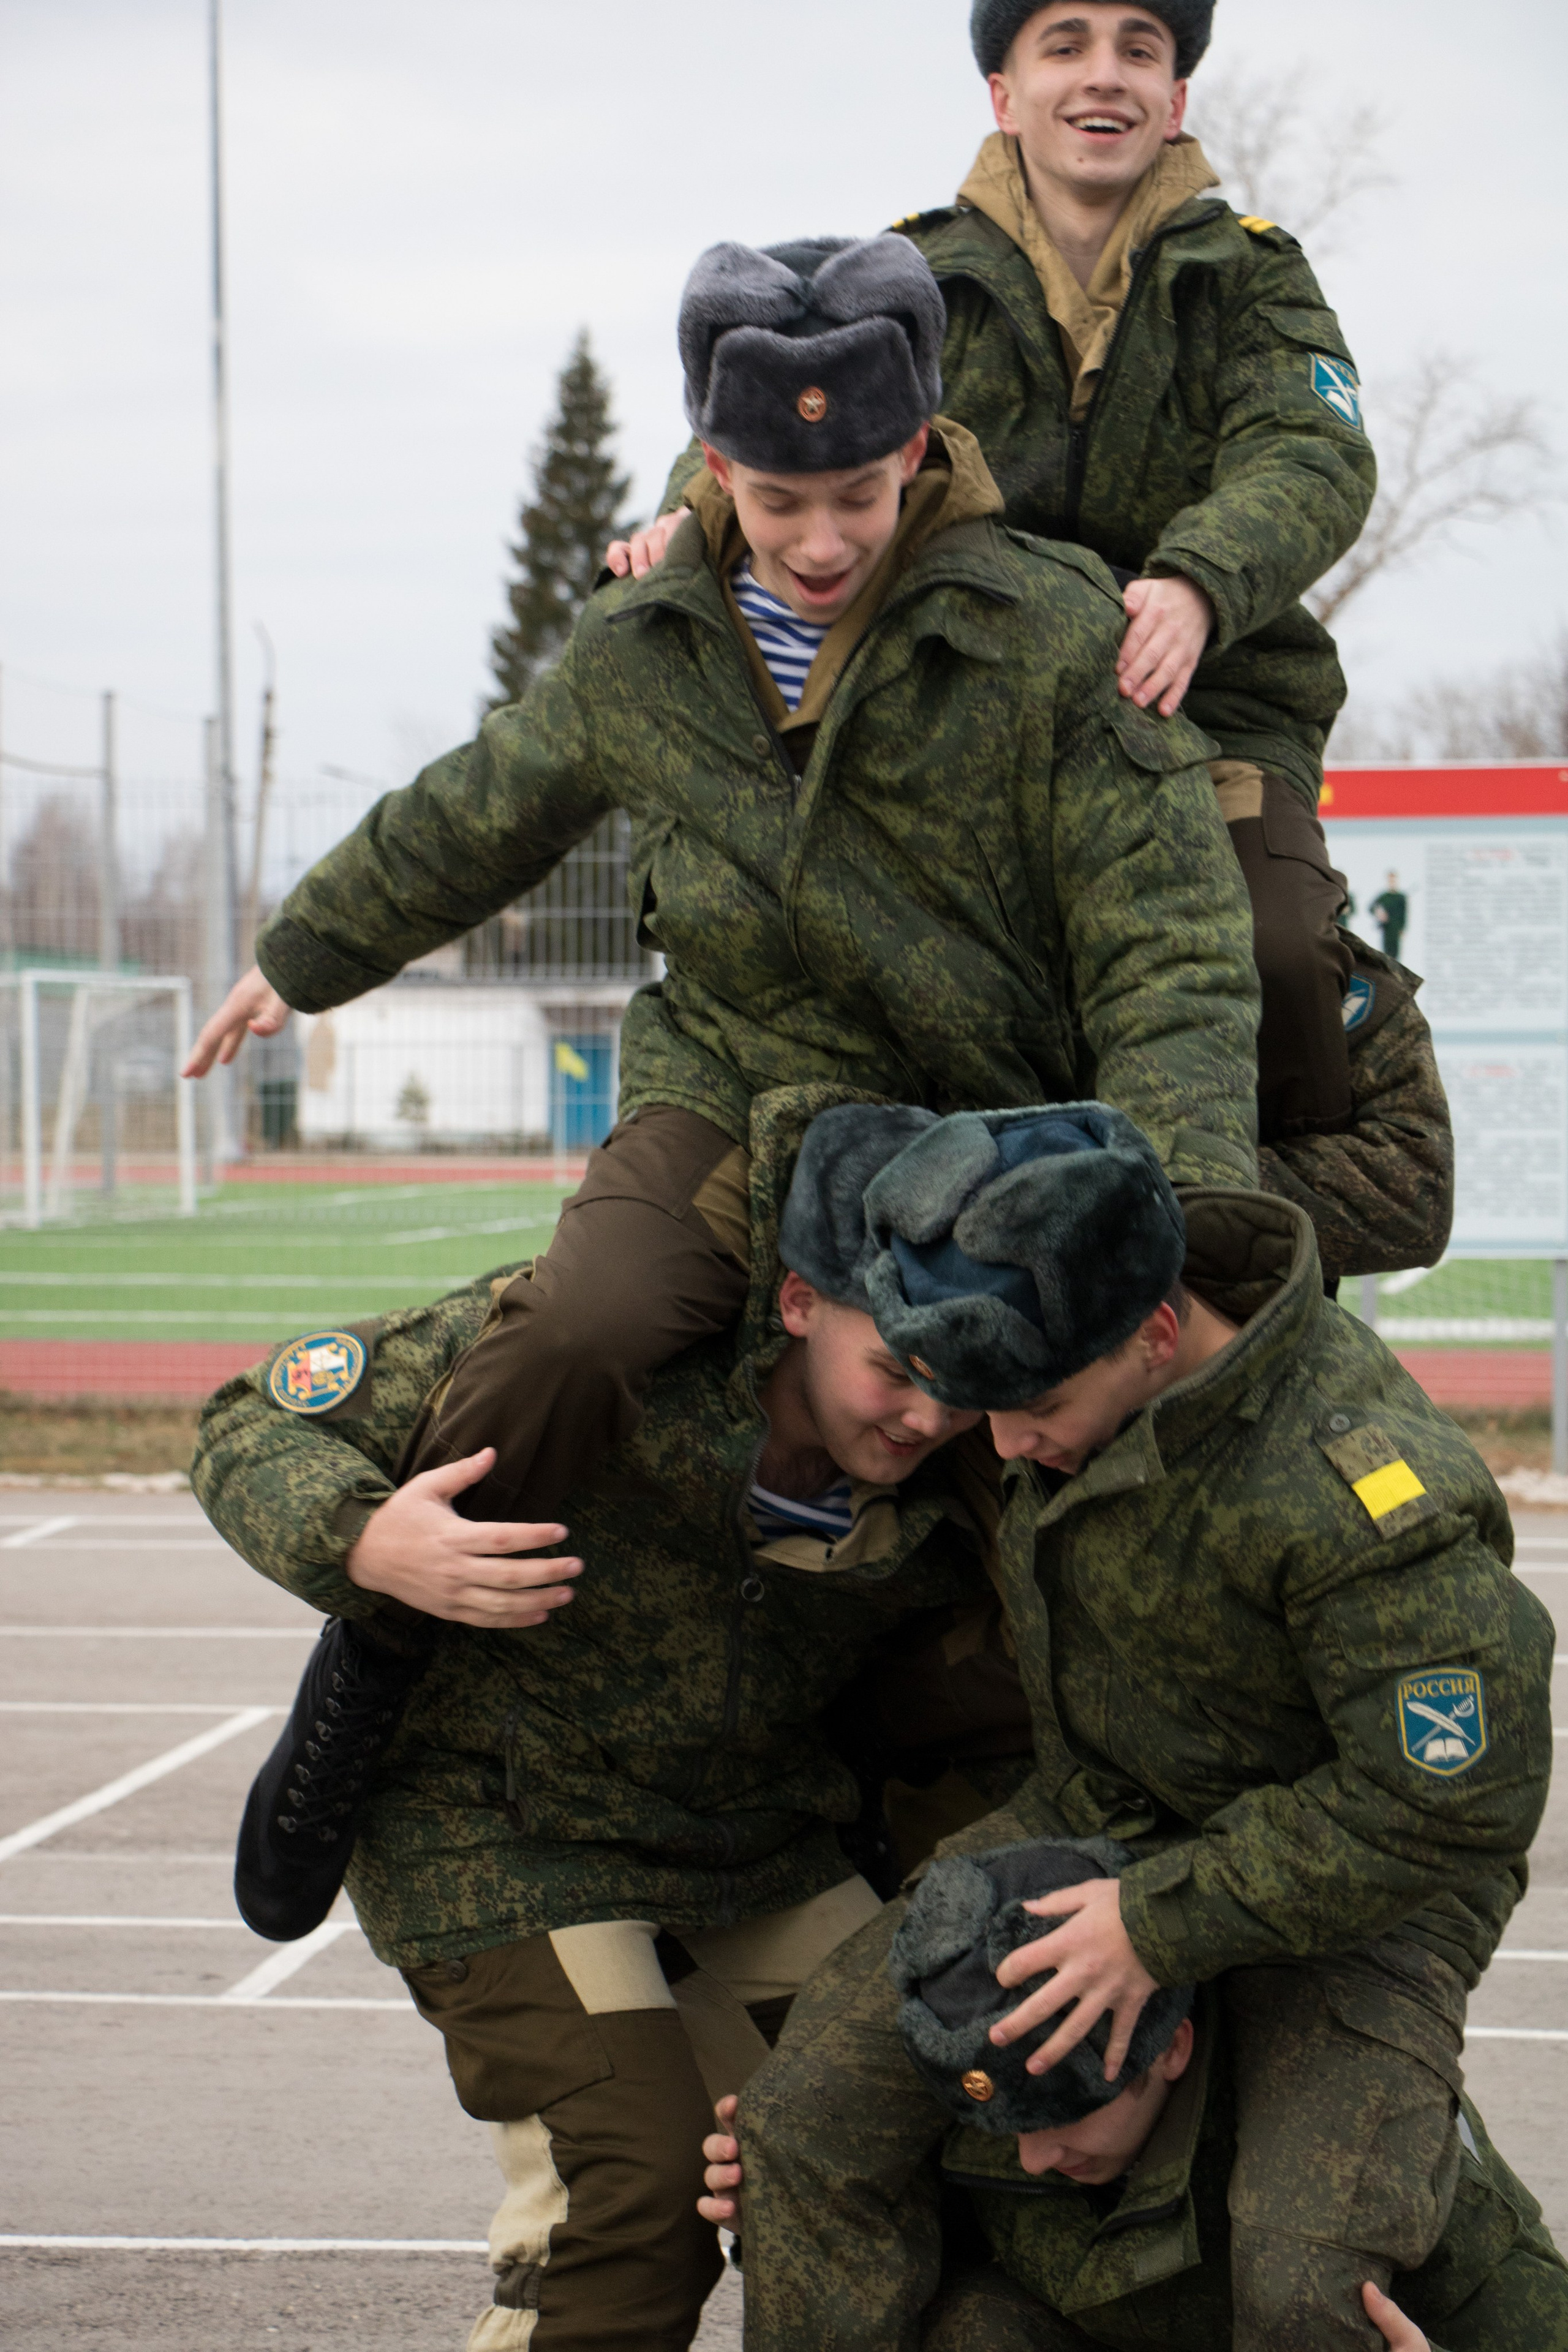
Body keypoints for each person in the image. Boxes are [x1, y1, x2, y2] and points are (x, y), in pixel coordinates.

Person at [185, 226, 1259, 1552]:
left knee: (1055, 1473)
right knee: (576, 1335)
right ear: (715, 467)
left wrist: (1174, 1202)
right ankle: (411, 1629)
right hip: (730, 1092)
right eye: (778, 499)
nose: (821, 540)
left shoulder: (1048, 635)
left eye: (857, 493)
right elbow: (482, 807)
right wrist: (301, 955)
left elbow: (1168, 943)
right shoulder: (649, 643)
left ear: (916, 448)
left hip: (970, 1118)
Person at [193, 1085, 1037, 2352]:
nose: (928, 1417)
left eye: (960, 1386)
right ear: (798, 1303)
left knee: (907, 2136)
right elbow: (250, 1419)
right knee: (633, 2202)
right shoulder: (596, 1370)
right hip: (505, 1829)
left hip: (753, 1840)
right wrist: (365, 1540)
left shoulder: (968, 1467)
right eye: (895, 1372)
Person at [730, 1100, 1555, 2351]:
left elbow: (1451, 1804)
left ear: (1157, 1336)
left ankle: (1441, 2196)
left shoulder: (1359, 1495)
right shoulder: (1063, 1334)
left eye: (1033, 1408)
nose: (1005, 1444)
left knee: (1304, 2284)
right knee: (800, 2128)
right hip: (1109, 1809)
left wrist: (1155, 1924)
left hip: (1366, 1896)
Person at [625, 0, 1378, 1158]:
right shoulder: (918, 273)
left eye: (1139, 49)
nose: (1104, 75)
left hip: (1207, 705)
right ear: (1004, 93)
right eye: (1065, 44)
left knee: (1274, 954)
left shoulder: (1251, 276)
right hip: (976, 722)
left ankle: (1269, 1226)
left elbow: (1313, 451)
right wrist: (690, 511)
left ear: (1176, 98)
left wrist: (1198, 582)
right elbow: (777, 406)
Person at [698, 1840, 1568, 2350]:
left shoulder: (1346, 2143)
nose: (1031, 2157)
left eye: (1061, 2117)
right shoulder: (981, 2087)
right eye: (1000, 2126)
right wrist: (786, 2214)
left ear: (1171, 2047)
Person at [1373, 870, 1411, 963]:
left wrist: (1403, 928)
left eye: (1393, 880)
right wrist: (1380, 913)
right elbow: (1372, 908)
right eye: (1390, 880)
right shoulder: (1384, 897)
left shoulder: (1401, 897)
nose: (1392, 882)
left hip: (1396, 930)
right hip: (1387, 929)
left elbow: (1404, 914)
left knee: (1396, 957)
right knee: (1386, 955)